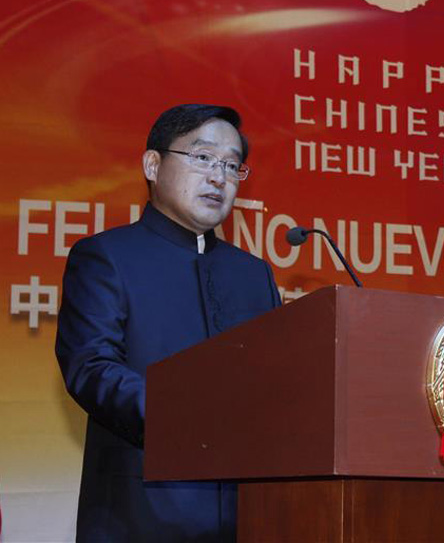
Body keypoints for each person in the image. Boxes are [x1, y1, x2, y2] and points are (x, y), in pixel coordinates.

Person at [56, 104, 281, 542]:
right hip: (141, 514)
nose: (219, 177)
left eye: (232, 166)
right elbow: (91, 367)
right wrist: (190, 415)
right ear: (153, 164)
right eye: (203, 158)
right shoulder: (107, 257)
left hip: (251, 518)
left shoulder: (253, 274)